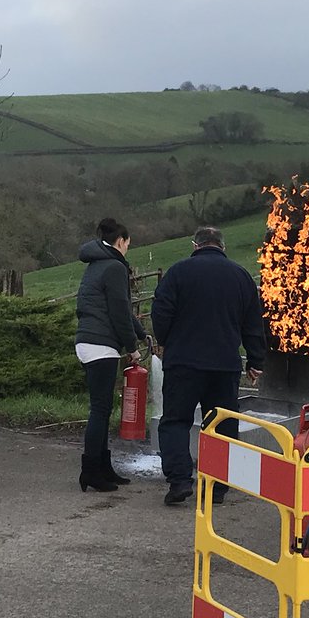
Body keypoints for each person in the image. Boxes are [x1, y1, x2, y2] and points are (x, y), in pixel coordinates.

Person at [151, 225, 266, 507]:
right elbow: (253, 322)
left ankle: (179, 481)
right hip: (224, 365)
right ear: (223, 247)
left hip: (184, 362)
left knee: (176, 421)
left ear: (195, 245)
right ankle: (217, 488)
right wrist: (255, 360)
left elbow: (160, 311)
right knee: (222, 425)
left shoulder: (178, 272)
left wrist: (167, 341)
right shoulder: (241, 276)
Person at [75, 217, 148, 492]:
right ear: (121, 241)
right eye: (128, 244)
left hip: (88, 341)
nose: (128, 248)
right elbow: (119, 311)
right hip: (100, 345)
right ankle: (90, 471)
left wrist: (141, 333)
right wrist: (133, 347)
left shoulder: (96, 264)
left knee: (102, 410)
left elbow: (122, 310)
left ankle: (103, 467)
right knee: (100, 410)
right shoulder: (115, 267)